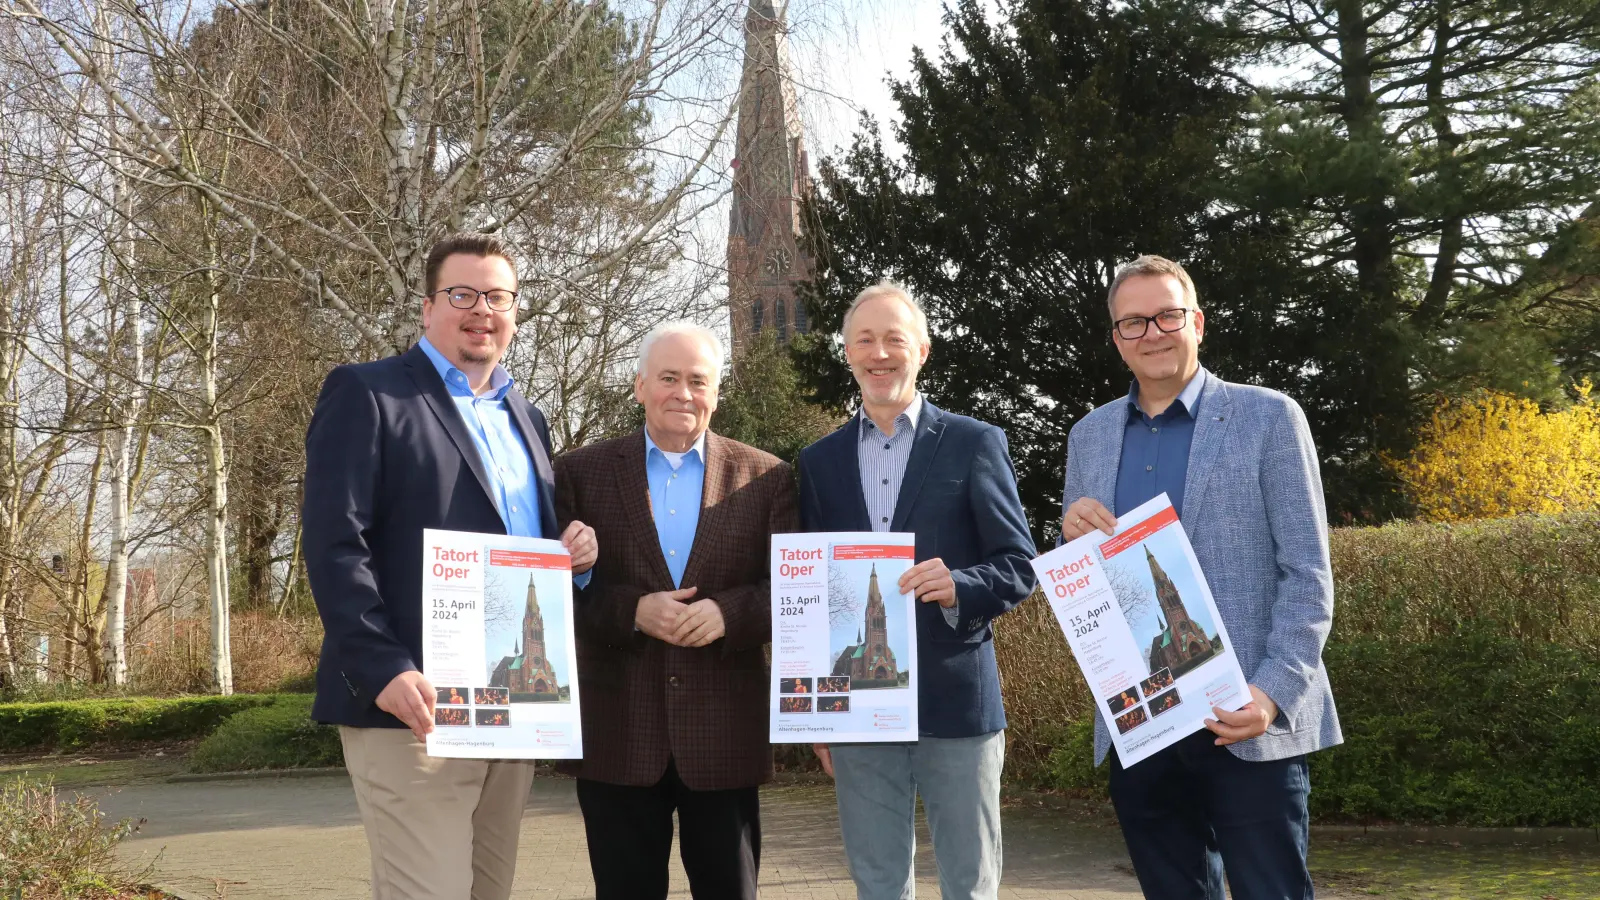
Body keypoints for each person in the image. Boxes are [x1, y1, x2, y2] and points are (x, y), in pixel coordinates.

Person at [302, 233, 598, 900]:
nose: (481, 310)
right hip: (413, 710)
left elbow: (518, 548)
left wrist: (571, 557)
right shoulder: (367, 392)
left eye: (498, 297)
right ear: (428, 307)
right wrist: (382, 667)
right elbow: (333, 544)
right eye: (462, 294)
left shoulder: (530, 419)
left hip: (511, 709)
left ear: (515, 313)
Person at [1059, 255, 1341, 899]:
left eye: (1167, 315)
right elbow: (1084, 576)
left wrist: (1271, 695)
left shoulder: (1270, 417)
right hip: (1142, 720)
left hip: (1245, 715)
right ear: (1116, 339)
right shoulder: (1091, 435)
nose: (1152, 332)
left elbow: (1307, 574)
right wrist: (1068, 530)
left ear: (1198, 323)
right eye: (1133, 322)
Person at [797, 281, 1037, 900]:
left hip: (957, 705)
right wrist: (816, 716)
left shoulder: (974, 442)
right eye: (865, 340)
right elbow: (813, 596)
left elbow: (1018, 564)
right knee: (878, 885)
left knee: (971, 883)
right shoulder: (817, 463)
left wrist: (959, 585)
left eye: (894, 339)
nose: (880, 353)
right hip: (858, 712)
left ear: (922, 350)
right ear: (847, 352)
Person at [553, 322, 798, 900]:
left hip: (724, 737)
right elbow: (554, 595)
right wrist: (634, 611)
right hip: (617, 734)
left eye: (697, 380)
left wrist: (728, 615)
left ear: (717, 390)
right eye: (668, 378)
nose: (682, 393)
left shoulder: (767, 478)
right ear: (640, 385)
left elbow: (794, 591)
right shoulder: (577, 473)